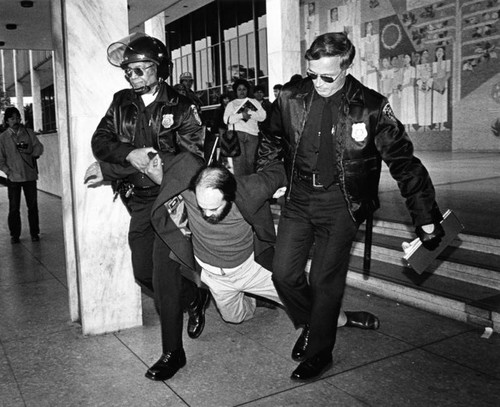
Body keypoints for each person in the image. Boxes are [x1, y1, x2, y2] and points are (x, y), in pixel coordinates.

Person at [257, 32, 444, 382]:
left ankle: (319, 351)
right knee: (284, 274)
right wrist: (274, 175)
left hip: (343, 203)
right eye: (312, 74)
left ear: (346, 67)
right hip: (298, 200)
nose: (318, 83)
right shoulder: (290, 97)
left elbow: (404, 162)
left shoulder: (370, 105)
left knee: (324, 280)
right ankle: (314, 322)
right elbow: (271, 137)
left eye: (327, 76)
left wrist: (425, 216)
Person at [85, 32, 209, 382]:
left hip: (168, 201)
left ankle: (173, 352)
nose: (133, 76)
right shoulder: (121, 101)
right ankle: (195, 297)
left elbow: (192, 158)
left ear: (161, 69)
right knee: (143, 273)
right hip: (137, 201)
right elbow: (101, 141)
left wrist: (152, 164)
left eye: (142, 69)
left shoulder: (183, 107)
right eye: (129, 71)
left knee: (164, 276)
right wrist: (128, 156)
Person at [147, 154, 379, 333]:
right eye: (202, 207)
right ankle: (253, 299)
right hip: (213, 277)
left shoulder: (250, 190)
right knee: (234, 318)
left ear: (229, 196)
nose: (206, 214)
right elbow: (161, 164)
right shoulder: (189, 193)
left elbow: (285, 166)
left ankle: (344, 319)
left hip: (250, 269)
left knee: (304, 300)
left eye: (214, 208)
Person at [0, 106, 44, 243]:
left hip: (29, 175)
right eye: (12, 118)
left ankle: (35, 233)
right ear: (7, 121)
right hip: (13, 177)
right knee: (14, 208)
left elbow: (39, 147)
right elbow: (0, 159)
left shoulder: (29, 132)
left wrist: (32, 153)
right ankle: (15, 235)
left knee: (32, 206)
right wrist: (8, 171)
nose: (15, 120)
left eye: (17, 117)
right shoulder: (3, 137)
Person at [223, 79, 266, 175]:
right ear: (235, 91)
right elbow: (226, 120)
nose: (242, 92)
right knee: (238, 162)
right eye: (239, 89)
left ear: (247, 90)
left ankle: (250, 185)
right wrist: (241, 115)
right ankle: (241, 186)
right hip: (238, 135)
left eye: (244, 89)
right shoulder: (231, 104)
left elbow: (262, 116)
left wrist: (250, 113)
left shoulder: (254, 102)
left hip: (252, 135)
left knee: (251, 162)